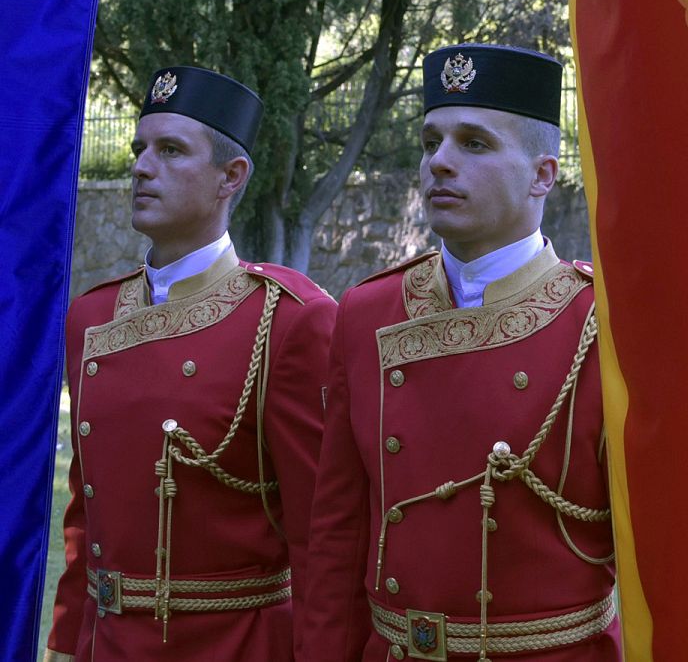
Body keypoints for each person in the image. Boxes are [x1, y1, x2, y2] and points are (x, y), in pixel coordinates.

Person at [302, 44, 619, 661]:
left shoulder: (598, 322)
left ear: (543, 175)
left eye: (474, 143)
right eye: (431, 142)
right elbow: (338, 533)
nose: (439, 162)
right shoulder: (367, 313)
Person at [44, 66, 337, 662]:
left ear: (231, 176)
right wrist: (69, 642)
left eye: (171, 150)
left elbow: (320, 534)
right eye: (140, 149)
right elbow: (86, 515)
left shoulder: (288, 319)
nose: (141, 167)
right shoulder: (92, 317)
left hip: (235, 645)